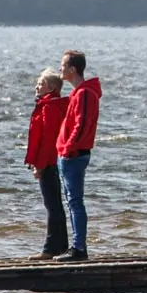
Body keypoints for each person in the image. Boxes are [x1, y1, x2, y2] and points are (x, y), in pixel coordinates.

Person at [53, 49, 102, 262]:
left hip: (74, 155)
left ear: (72, 69)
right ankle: (75, 246)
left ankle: (79, 248)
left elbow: (82, 125)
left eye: (62, 65)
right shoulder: (78, 92)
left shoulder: (84, 93)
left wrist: (69, 148)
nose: (60, 69)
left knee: (75, 202)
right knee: (72, 201)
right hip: (68, 154)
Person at [24, 68, 70, 259]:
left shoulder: (50, 107)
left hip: (50, 162)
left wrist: (40, 165)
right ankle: (61, 246)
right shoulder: (48, 105)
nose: (37, 86)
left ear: (51, 87)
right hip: (51, 161)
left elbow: (48, 139)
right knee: (55, 206)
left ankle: (51, 248)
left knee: (52, 206)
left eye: (41, 83)